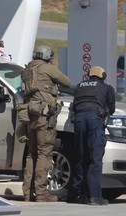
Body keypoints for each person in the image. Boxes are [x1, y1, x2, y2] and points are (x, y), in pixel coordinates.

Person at [21, 45, 71, 202]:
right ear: (48, 56)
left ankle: (27, 192)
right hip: (44, 116)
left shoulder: (27, 70)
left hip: (29, 116)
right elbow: (67, 82)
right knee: (44, 153)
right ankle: (42, 193)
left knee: (31, 154)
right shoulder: (47, 68)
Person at [68, 66, 115, 205]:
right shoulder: (106, 88)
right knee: (95, 159)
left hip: (79, 121)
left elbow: (74, 106)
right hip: (95, 120)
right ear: (102, 75)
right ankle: (95, 196)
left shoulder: (79, 86)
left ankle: (79, 195)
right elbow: (111, 108)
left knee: (81, 157)